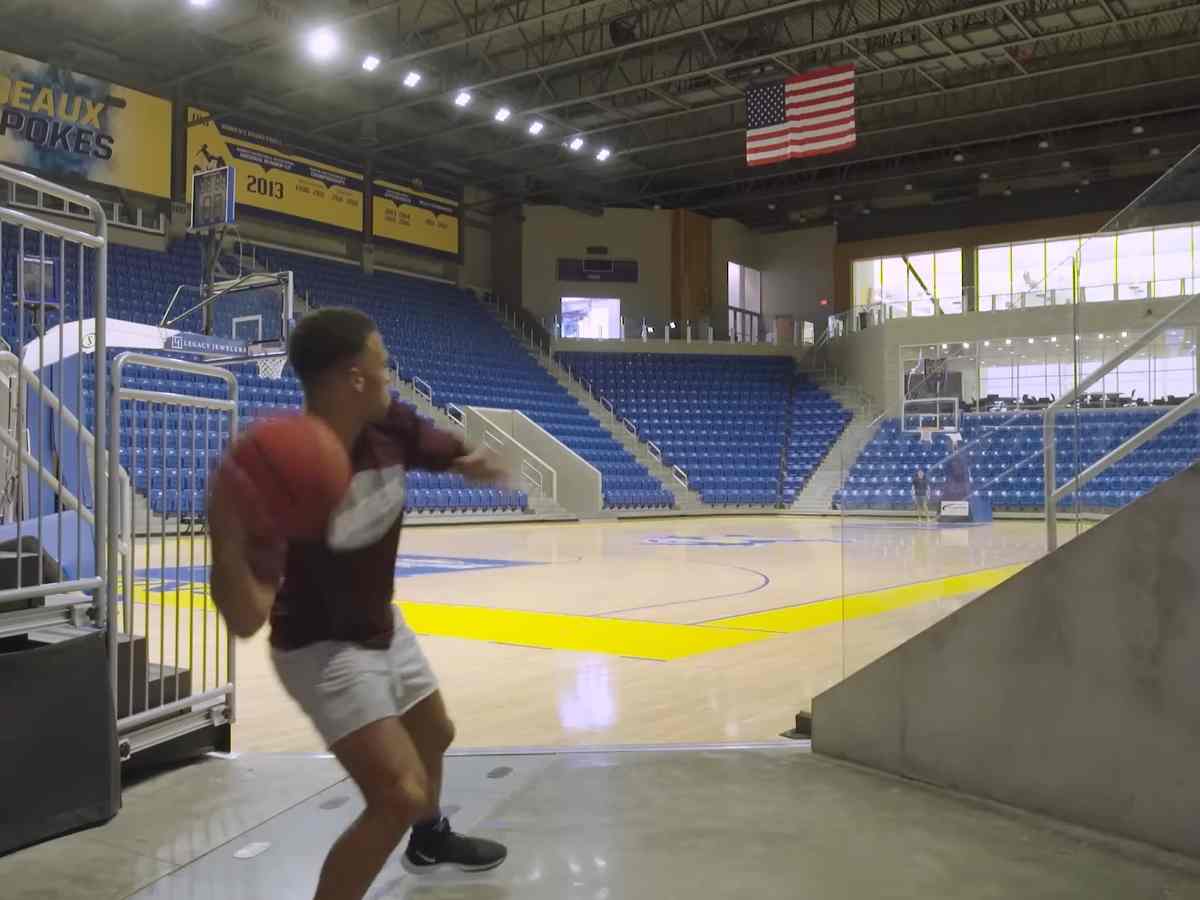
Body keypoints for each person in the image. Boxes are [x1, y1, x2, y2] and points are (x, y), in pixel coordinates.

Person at [209, 308, 510, 900]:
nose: (390, 377)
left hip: (380, 621)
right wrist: (225, 536)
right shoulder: (282, 473)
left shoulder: (388, 423)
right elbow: (245, 620)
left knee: (436, 733)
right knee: (397, 792)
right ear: (352, 377)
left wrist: (471, 460)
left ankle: (429, 840)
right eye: (382, 366)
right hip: (320, 648)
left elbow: (443, 449)